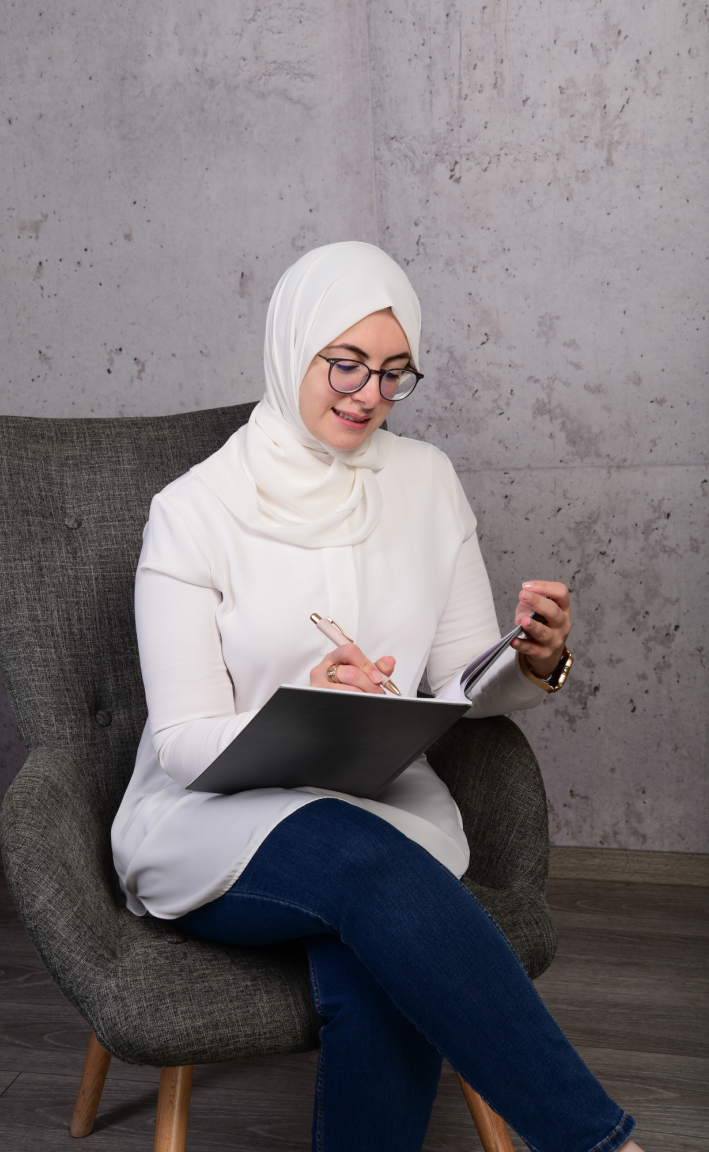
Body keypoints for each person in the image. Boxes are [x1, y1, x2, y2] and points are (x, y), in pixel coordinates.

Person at [112, 242, 642, 1152]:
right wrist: (298, 705)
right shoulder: (192, 512)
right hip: (209, 822)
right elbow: (185, 741)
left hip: (377, 802)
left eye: (396, 373)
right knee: (369, 865)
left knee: (379, 965)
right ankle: (599, 1144)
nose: (369, 395)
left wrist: (532, 659)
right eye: (347, 364)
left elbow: (460, 681)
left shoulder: (425, 481)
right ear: (294, 349)